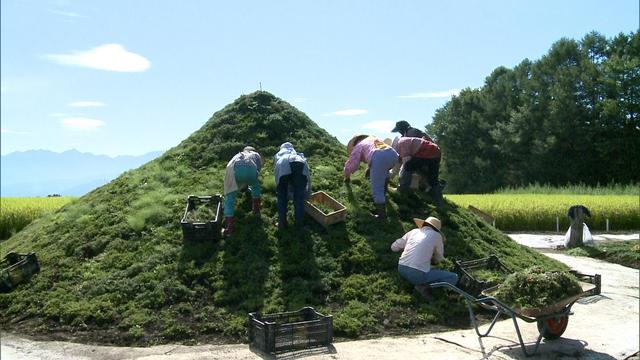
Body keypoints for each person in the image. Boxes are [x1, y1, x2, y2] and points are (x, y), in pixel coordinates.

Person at [391, 216, 458, 299]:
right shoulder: (437, 236)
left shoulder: (414, 231)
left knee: (426, 269)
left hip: (401, 268)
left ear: (424, 224)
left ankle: (422, 282)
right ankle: (425, 287)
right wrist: (433, 260)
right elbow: (439, 258)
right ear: (436, 229)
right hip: (416, 275)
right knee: (453, 276)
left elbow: (394, 247)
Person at [344, 134, 399, 219]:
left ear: (355, 143)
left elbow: (352, 163)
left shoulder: (359, 146)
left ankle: (381, 216)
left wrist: (346, 176)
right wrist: (370, 169)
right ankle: (384, 194)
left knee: (377, 187)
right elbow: (376, 152)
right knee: (384, 174)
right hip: (393, 155)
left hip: (379, 158)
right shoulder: (373, 139)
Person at [391, 136, 445, 208]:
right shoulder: (404, 143)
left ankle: (403, 188)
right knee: (433, 180)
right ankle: (439, 204)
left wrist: (401, 177)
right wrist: (390, 176)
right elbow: (397, 166)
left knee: (408, 166)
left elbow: (406, 162)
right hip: (436, 152)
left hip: (427, 151)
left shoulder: (401, 144)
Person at [222, 146, 262, 236]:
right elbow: (258, 170)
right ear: (253, 151)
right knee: (256, 186)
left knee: (230, 197)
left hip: (233, 168)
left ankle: (229, 228)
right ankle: (256, 211)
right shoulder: (255, 154)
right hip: (251, 168)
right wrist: (251, 179)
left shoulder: (238, 155)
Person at [274, 142, 311, 229]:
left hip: (282, 163)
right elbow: (307, 177)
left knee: (282, 196)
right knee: (299, 197)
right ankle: (299, 224)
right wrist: (307, 191)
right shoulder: (297, 154)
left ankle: (282, 223)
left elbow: (277, 171)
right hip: (300, 163)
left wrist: (281, 188)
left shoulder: (278, 154)